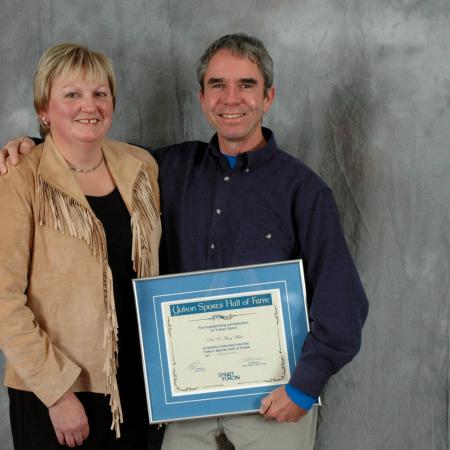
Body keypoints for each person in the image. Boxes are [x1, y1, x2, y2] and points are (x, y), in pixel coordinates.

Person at [0, 34, 369, 450]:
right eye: (217, 85)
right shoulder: (168, 168)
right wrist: (33, 147)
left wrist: (304, 387)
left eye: (246, 85)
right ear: (201, 97)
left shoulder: (303, 190)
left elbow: (344, 303)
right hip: (179, 398)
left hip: (272, 394)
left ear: (268, 97)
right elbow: (82, 152)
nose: (231, 98)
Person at [0, 43, 162, 449]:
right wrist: (56, 392)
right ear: (44, 109)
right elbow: (3, 299)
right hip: (57, 392)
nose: (88, 105)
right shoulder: (21, 177)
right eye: (71, 94)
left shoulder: (141, 166)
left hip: (137, 386)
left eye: (99, 93)